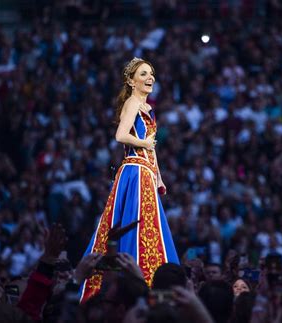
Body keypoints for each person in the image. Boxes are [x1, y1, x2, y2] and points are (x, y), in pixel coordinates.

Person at [80, 57, 179, 303]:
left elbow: (152, 148)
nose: (150, 78)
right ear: (131, 81)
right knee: (133, 222)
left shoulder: (148, 109)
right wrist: (143, 143)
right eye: (144, 74)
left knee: (146, 223)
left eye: (152, 73)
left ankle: (145, 274)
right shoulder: (132, 103)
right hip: (134, 171)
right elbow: (121, 135)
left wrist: (159, 177)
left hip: (146, 171)